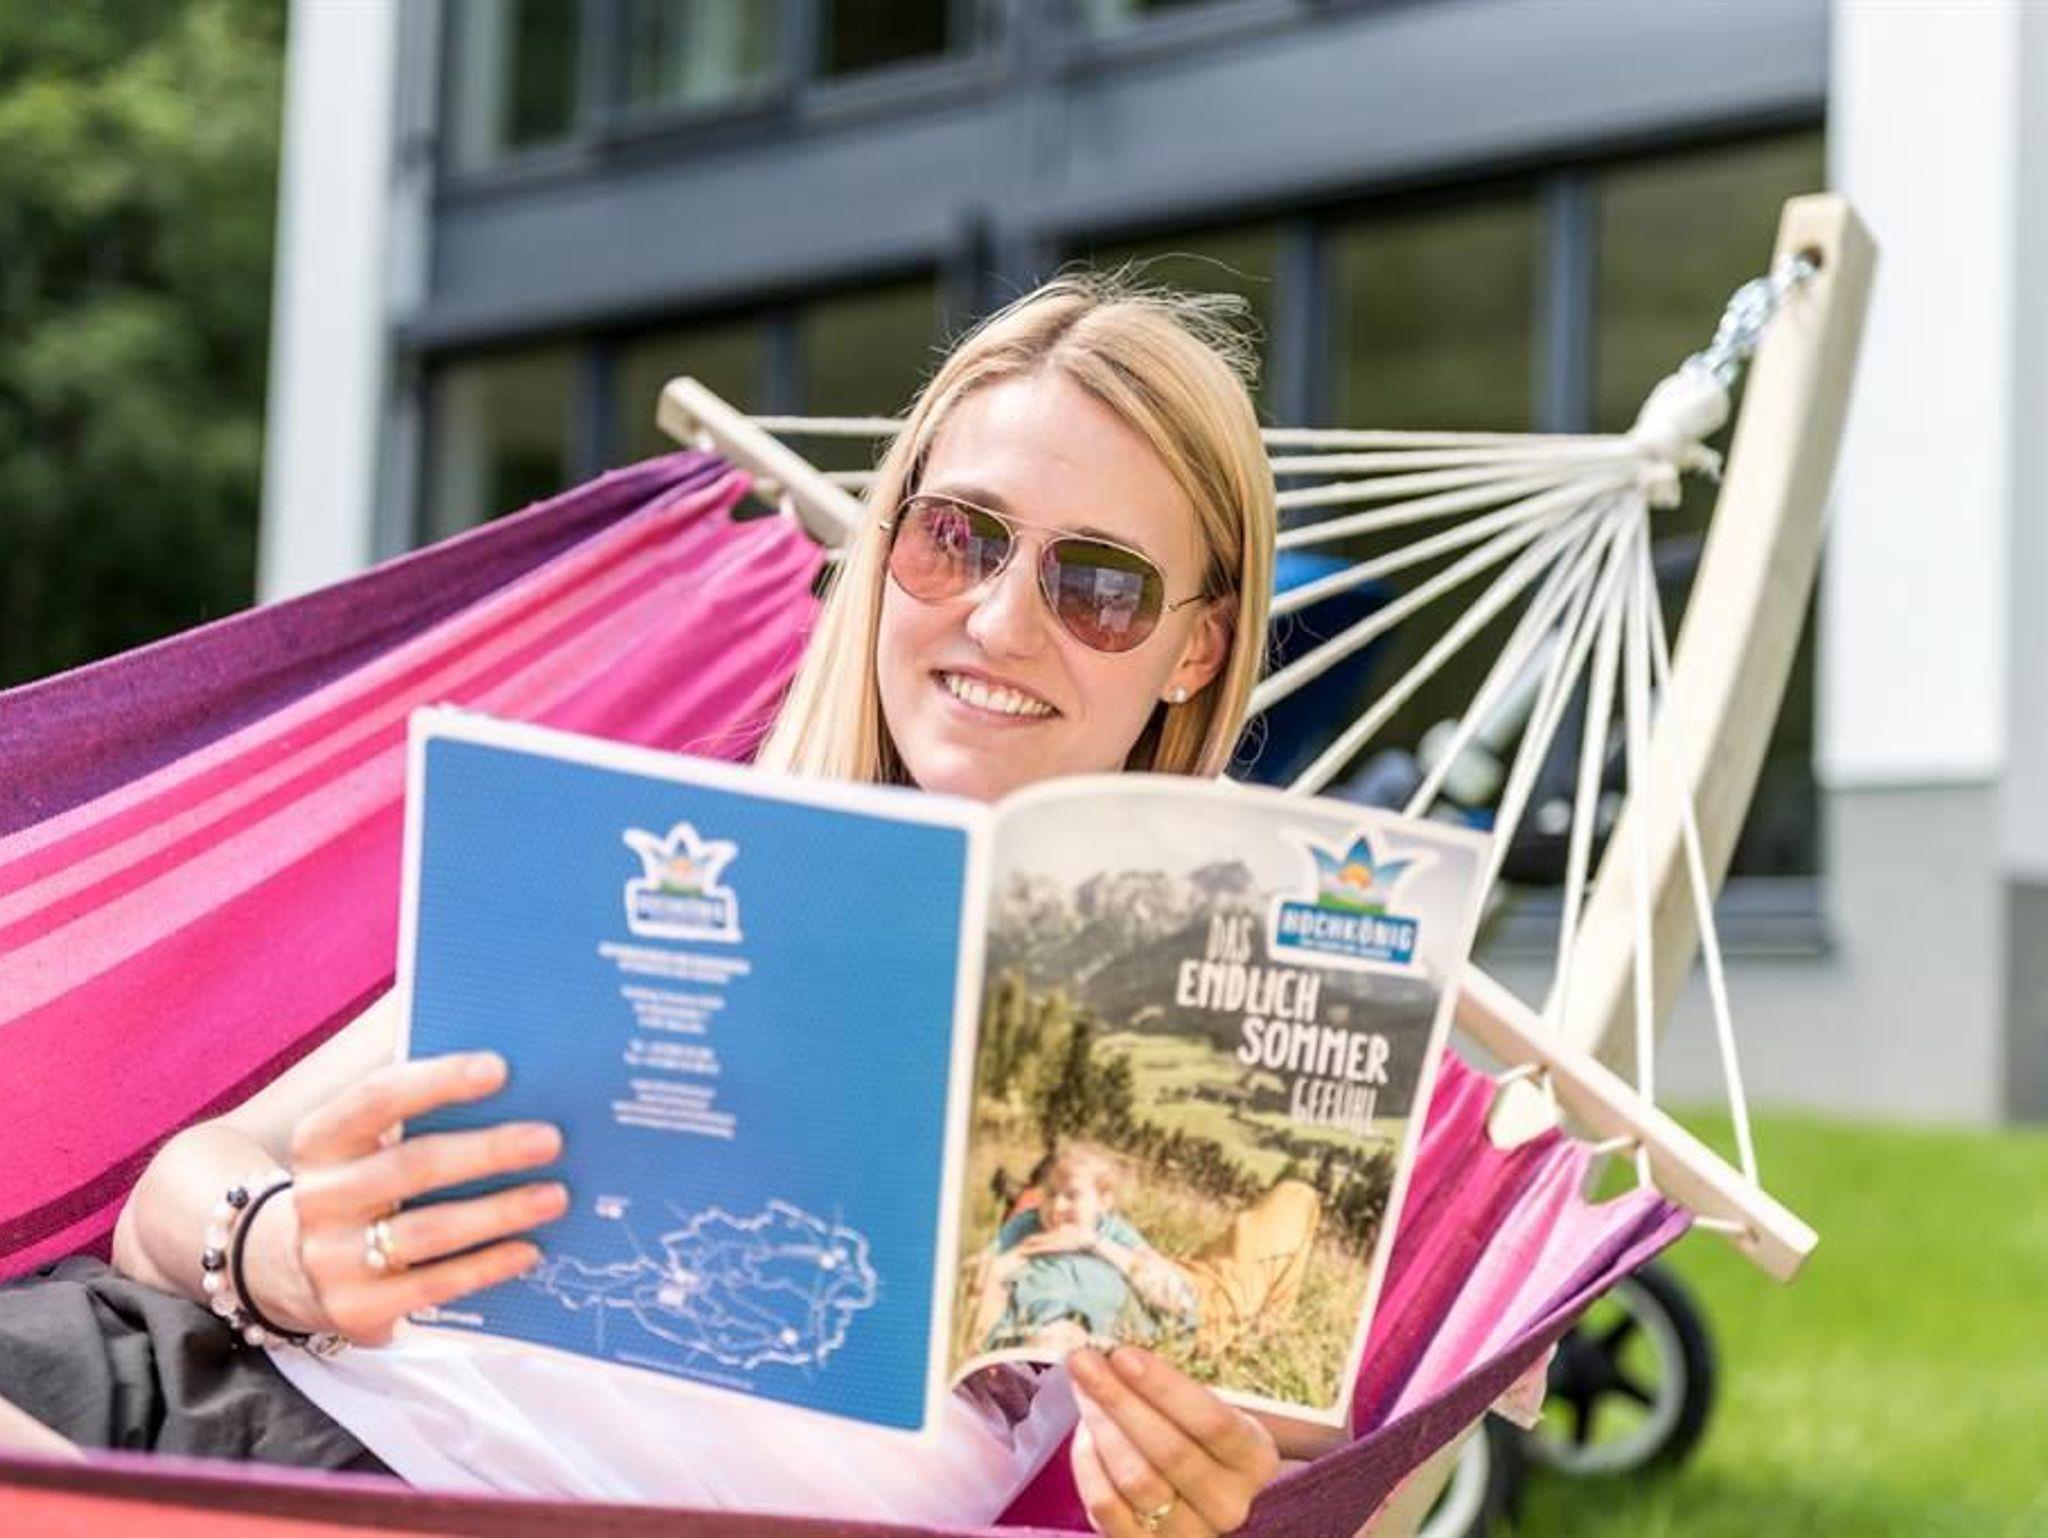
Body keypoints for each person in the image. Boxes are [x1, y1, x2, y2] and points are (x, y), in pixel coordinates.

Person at [0, 271, 1322, 1536]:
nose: (999, 620)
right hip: (184, 1403)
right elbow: (171, 1192)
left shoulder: (1233, 1047)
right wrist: (277, 1245)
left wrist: (1205, 1494)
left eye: (1098, 585)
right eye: (957, 537)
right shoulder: (658, 865)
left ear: (1196, 645)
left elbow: (1323, 1453)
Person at [970, 1143, 1199, 1356]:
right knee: (1010, 1300)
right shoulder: (1028, 1226)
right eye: (1050, 1194)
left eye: (1072, 1196)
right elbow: (983, 1272)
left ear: (1104, 1202)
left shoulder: (1112, 1232)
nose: (1057, 1207)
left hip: (1106, 1328)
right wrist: (1023, 1252)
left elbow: (1175, 1296)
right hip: (1040, 1324)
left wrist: (1091, 1243)